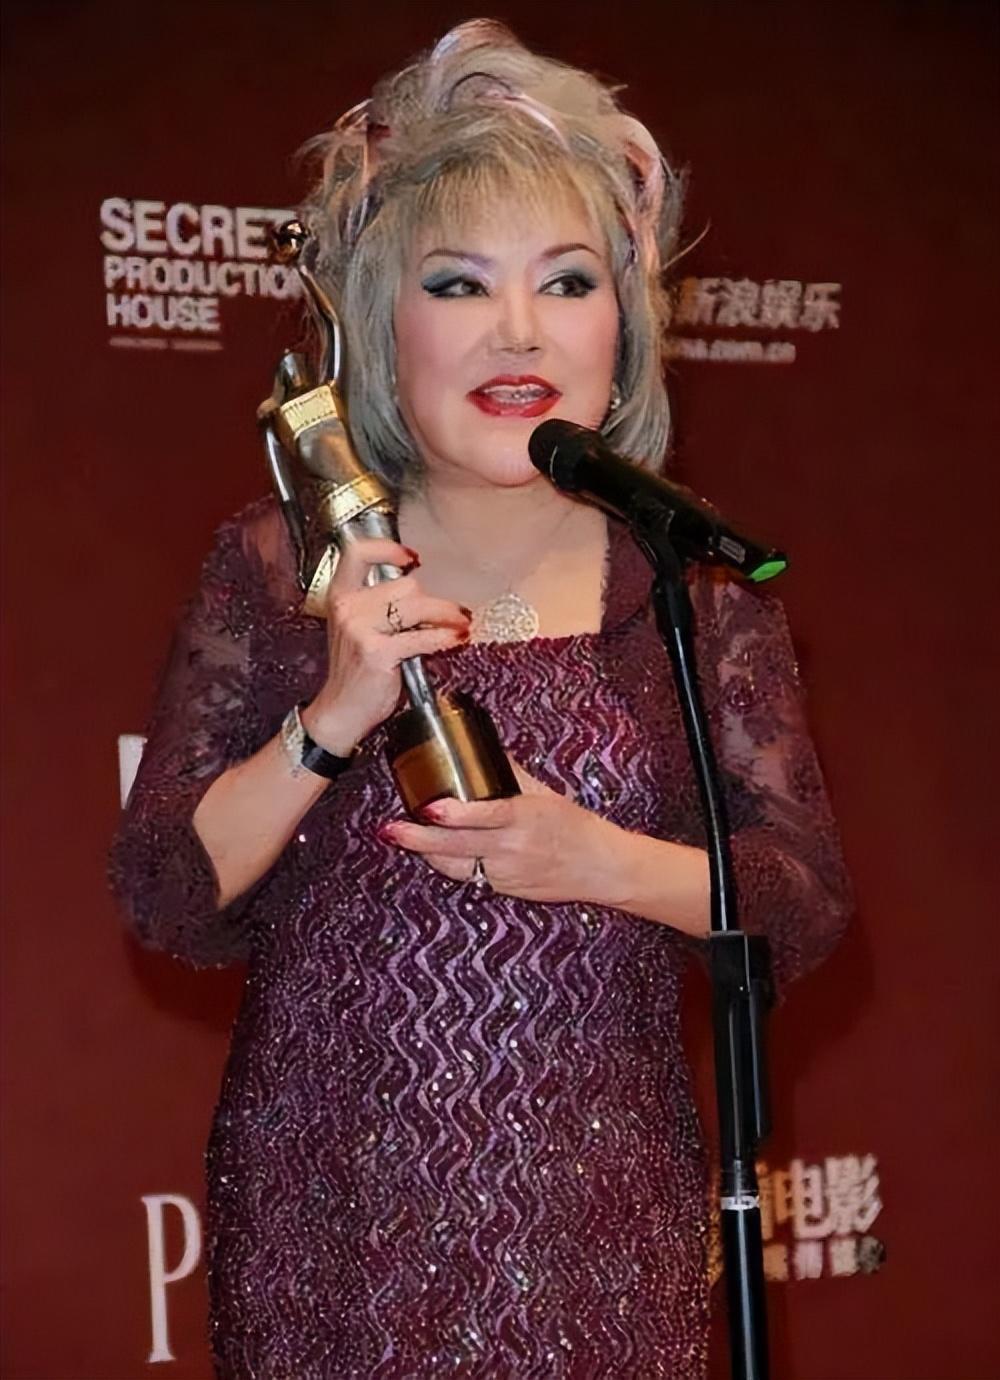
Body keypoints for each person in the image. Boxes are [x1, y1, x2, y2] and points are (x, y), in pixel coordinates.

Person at [110, 20, 851, 1379]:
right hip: (331, 1233)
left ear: (623, 328)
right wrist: (332, 715)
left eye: (567, 281)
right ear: (385, 329)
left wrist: (599, 860)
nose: (520, 330)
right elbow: (166, 892)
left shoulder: (688, 593)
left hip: (601, 1229)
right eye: (459, 283)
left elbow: (798, 901)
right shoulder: (281, 567)